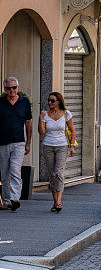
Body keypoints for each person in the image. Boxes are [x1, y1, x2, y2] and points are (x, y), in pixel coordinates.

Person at [37, 92, 76, 212]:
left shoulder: (66, 114)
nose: (50, 103)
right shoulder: (45, 115)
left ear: (59, 102)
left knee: (59, 172)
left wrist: (72, 147)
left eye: (52, 101)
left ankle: (58, 202)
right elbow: (42, 132)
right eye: (49, 100)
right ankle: (55, 201)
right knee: (52, 174)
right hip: (48, 146)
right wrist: (41, 119)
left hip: (62, 146)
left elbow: (72, 130)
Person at [0, 77, 32, 211]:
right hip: (2, 143)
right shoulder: (0, 102)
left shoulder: (24, 102)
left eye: (14, 88)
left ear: (18, 88)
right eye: (8, 88)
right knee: (4, 173)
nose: (11, 91)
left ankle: (15, 198)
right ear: (5, 89)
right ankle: (7, 201)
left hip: (19, 142)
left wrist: (28, 142)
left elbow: (28, 123)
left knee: (14, 169)